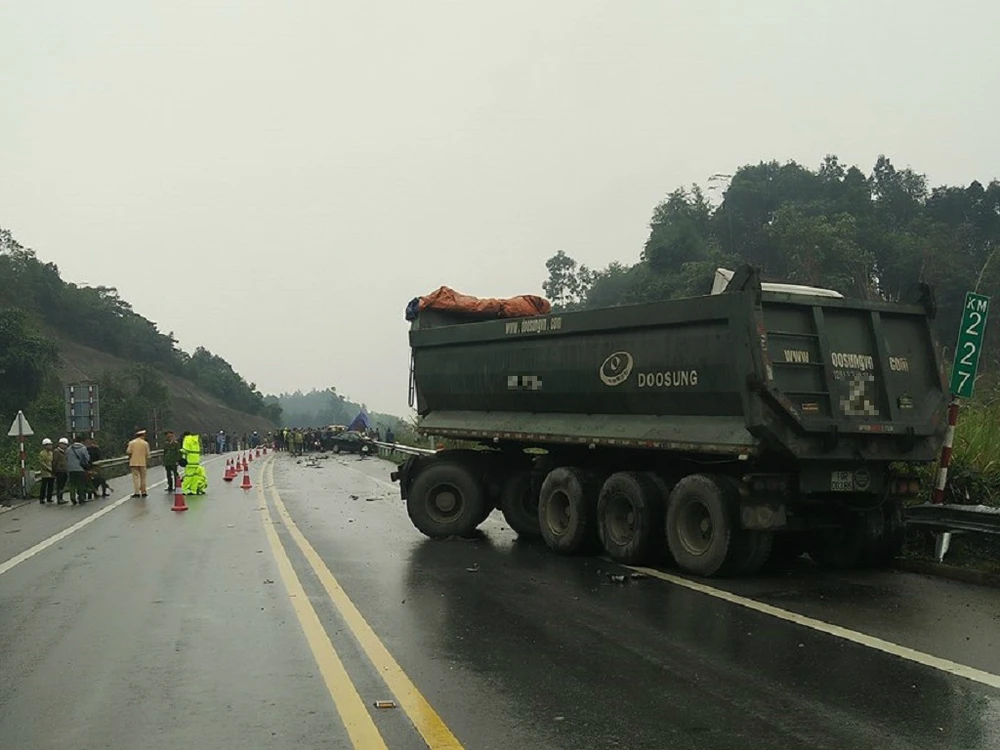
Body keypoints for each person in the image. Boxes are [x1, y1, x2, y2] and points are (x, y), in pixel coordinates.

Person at [65, 437, 92, 505]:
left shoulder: (69, 449)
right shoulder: (83, 448)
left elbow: (66, 458)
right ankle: (81, 498)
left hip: (71, 469)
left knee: (72, 484)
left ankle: (72, 498)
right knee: (81, 484)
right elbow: (87, 458)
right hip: (80, 469)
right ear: (81, 441)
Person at [126, 429, 151, 498]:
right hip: (143, 462)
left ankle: (136, 492)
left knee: (135, 478)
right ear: (142, 435)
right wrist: (147, 462)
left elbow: (128, 452)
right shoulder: (145, 443)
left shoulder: (131, 443)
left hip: (133, 462)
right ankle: (143, 492)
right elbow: (148, 454)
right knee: (143, 478)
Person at [38, 438, 55, 505]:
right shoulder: (42, 453)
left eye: (50, 445)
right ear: (45, 446)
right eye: (48, 445)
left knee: (51, 485)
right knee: (44, 486)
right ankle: (41, 498)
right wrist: (48, 468)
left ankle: (49, 497)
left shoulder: (51, 453)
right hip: (45, 472)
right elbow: (42, 462)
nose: (50, 446)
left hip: (51, 472)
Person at [53, 438, 69, 504]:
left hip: (64, 470)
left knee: (62, 485)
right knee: (60, 485)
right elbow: (54, 461)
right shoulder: (57, 451)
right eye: (63, 444)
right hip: (59, 470)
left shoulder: (65, 452)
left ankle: (61, 498)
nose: (65, 446)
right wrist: (54, 470)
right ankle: (59, 498)